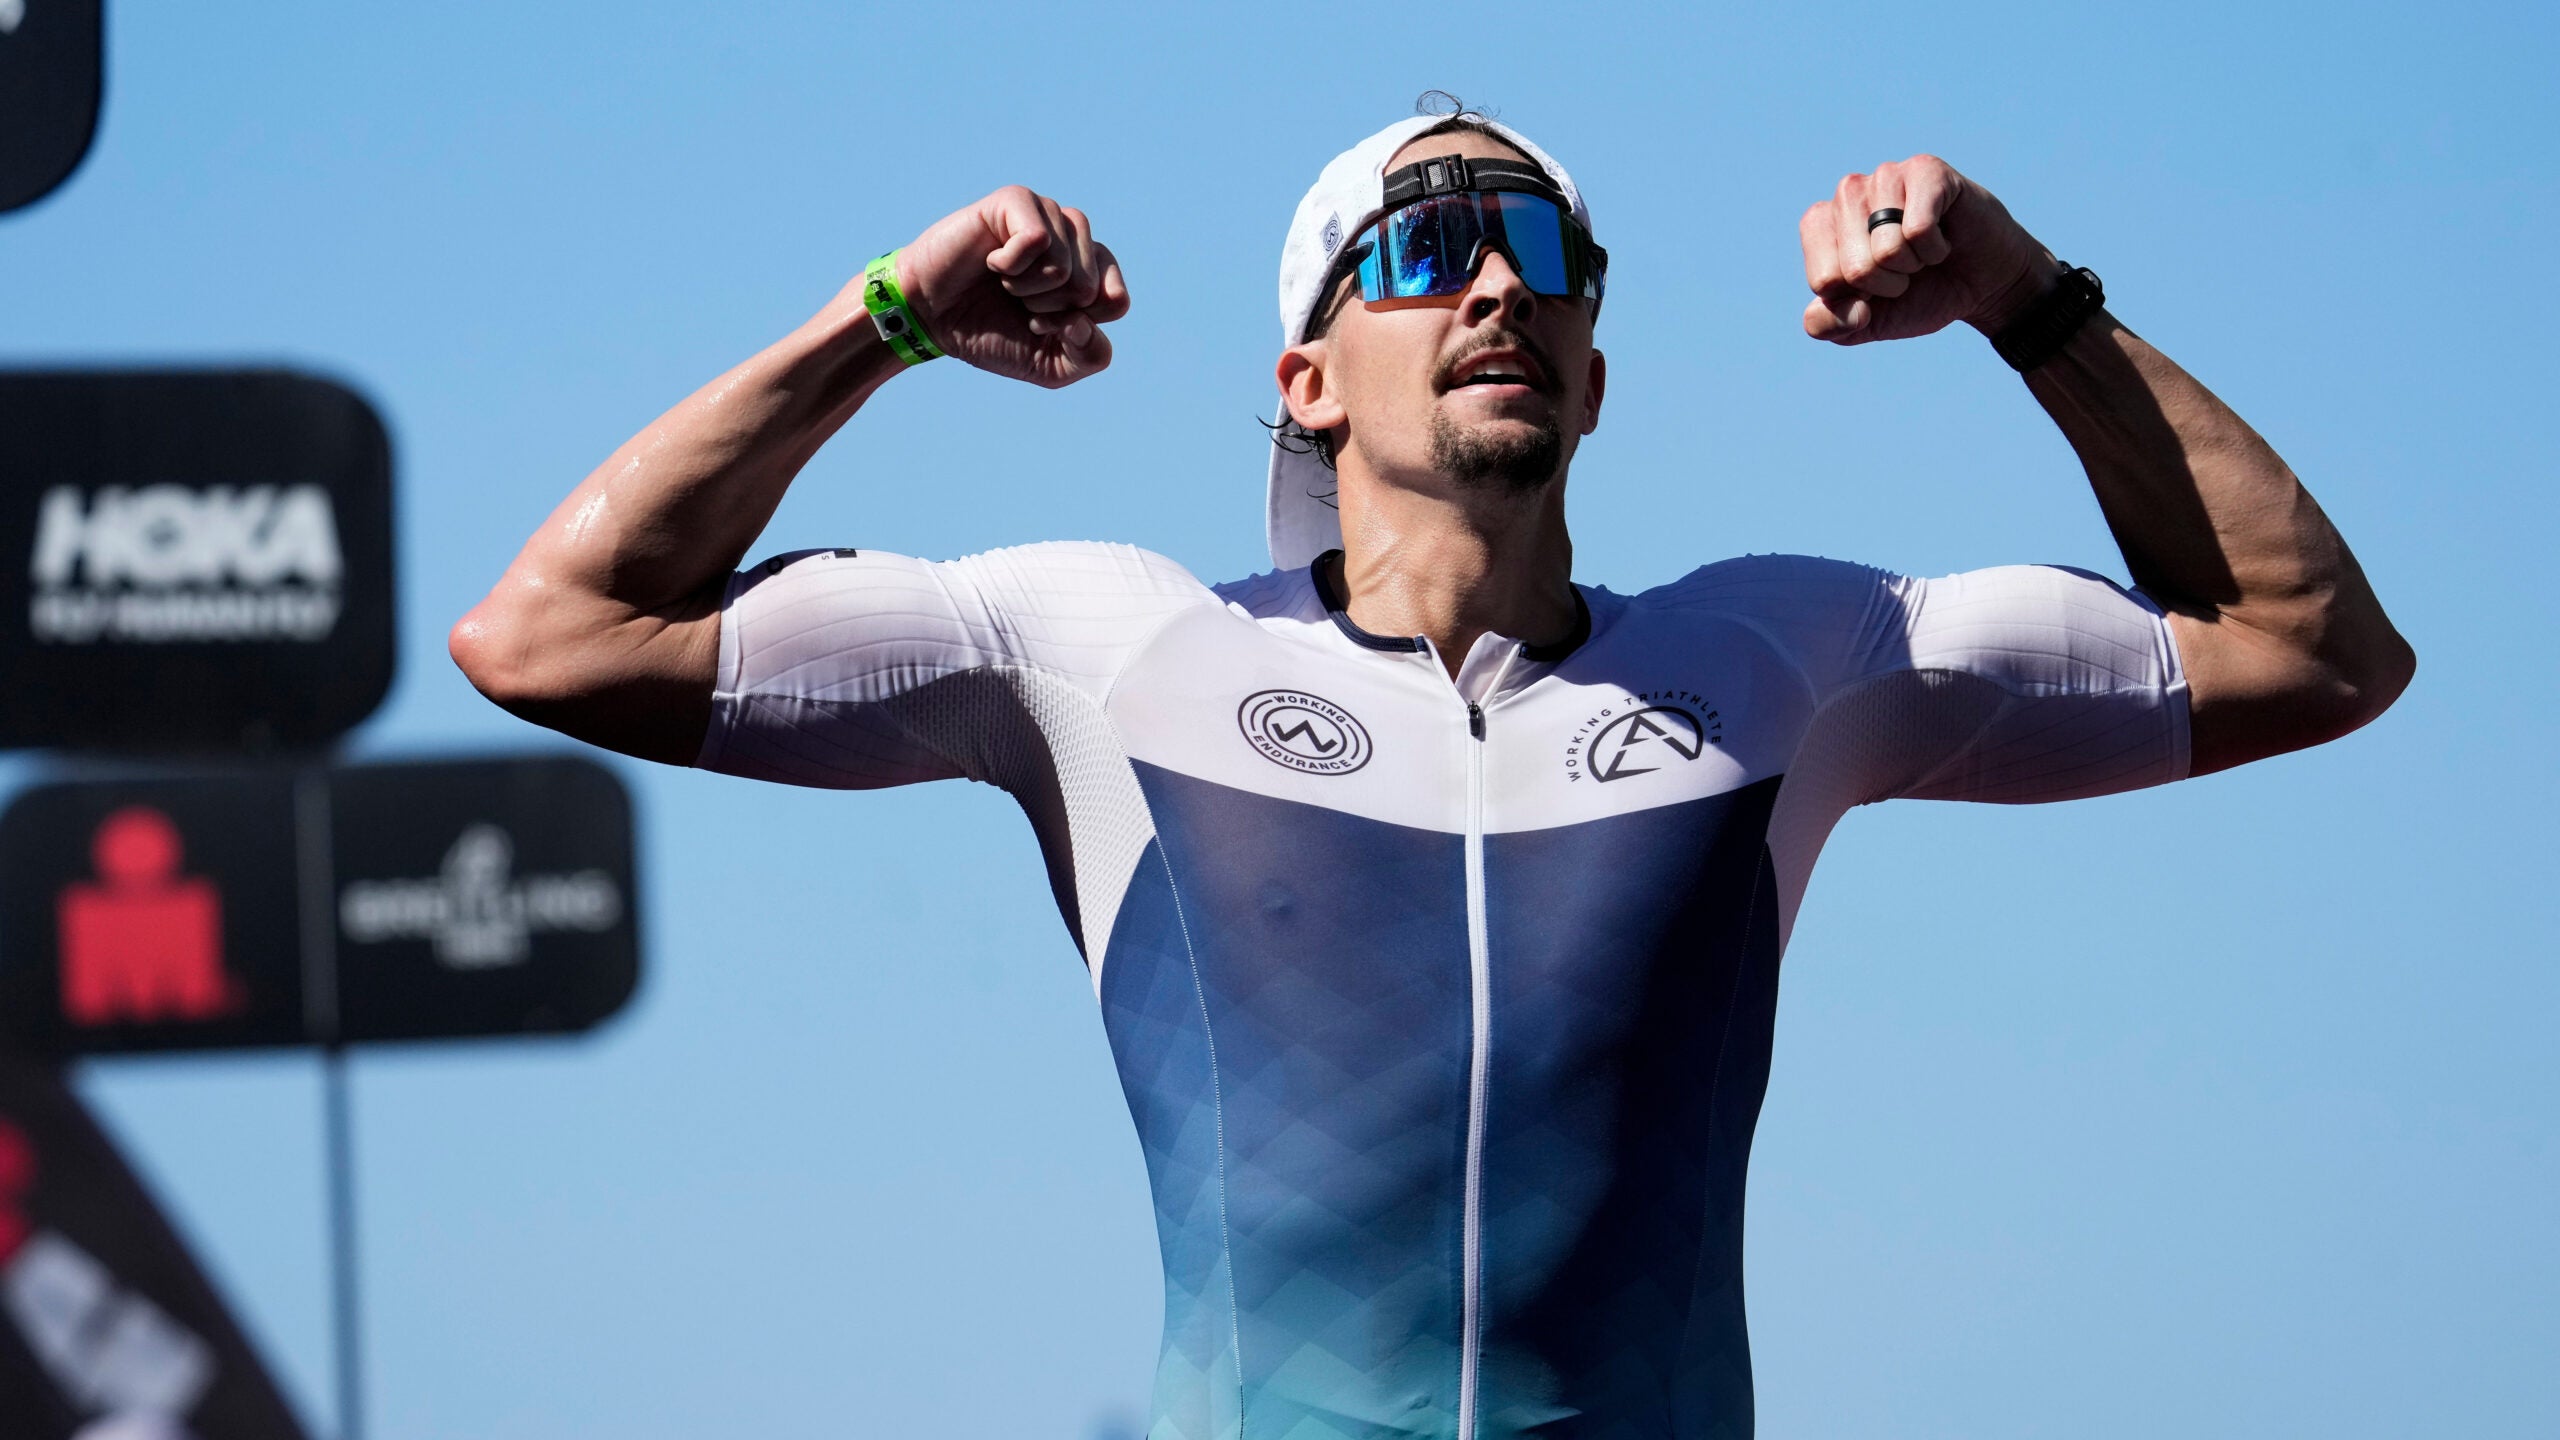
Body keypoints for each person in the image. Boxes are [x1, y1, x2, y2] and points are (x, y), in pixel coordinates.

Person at [450, 102, 2412, 1439]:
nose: (1497, 284)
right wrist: (880, 322)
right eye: (1428, 246)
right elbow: (551, 633)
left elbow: (2311, 648)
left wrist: (2022, 296)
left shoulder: (1776, 660)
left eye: (1544, 251)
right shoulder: (1114, 648)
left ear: (1592, 372)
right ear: (1306, 377)